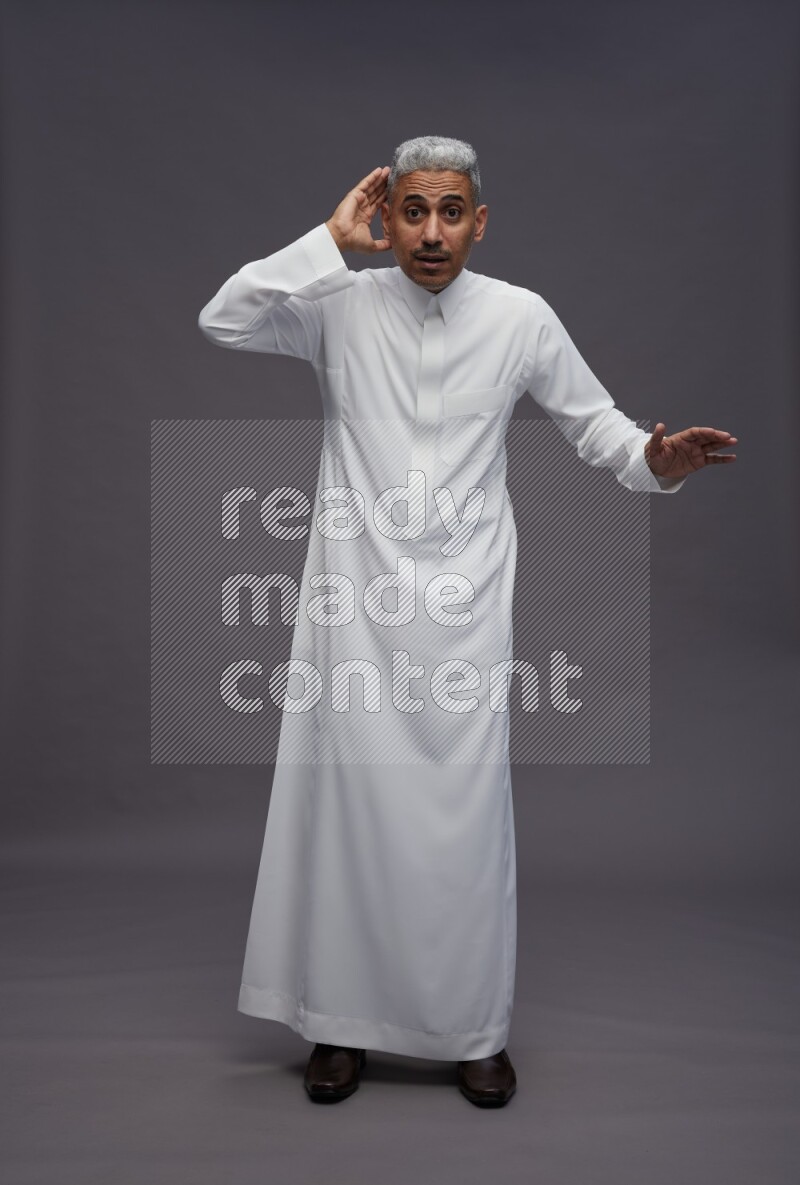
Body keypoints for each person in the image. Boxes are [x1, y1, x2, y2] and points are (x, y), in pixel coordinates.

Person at [198, 136, 737, 1107]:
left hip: (463, 610)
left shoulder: (519, 317)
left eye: (451, 212)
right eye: (412, 211)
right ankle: (337, 1027)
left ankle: (470, 1031)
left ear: (478, 222)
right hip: (352, 610)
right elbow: (225, 317)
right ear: (388, 216)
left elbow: (597, 426)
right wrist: (326, 240)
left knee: (460, 822)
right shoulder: (338, 304)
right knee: (349, 815)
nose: (432, 232)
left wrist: (657, 461)